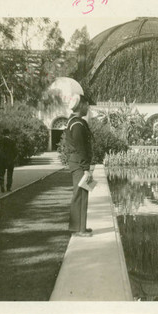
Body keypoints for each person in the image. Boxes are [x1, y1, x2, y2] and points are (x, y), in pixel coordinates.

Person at [64, 93, 94, 237]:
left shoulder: (75, 121)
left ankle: (81, 227)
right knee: (80, 195)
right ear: (80, 106)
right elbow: (81, 147)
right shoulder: (77, 124)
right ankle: (78, 229)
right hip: (79, 164)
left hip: (77, 162)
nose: (87, 107)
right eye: (86, 104)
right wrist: (86, 168)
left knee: (82, 194)